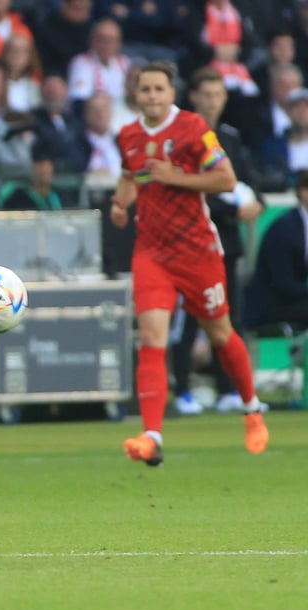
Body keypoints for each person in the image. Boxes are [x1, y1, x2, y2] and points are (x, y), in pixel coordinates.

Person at [111, 61, 269, 466]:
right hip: (152, 252)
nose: (152, 96)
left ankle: (251, 408)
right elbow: (130, 176)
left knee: (220, 334)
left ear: (171, 93)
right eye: (145, 89)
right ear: (136, 94)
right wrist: (120, 203)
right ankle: (151, 436)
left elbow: (226, 180)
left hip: (198, 251)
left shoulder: (193, 128)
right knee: (152, 337)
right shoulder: (128, 135)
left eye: (158, 89)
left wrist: (174, 177)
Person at [171, 66, 265, 416]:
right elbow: (187, 189)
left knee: (228, 318)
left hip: (227, 244)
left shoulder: (230, 138)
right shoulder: (182, 138)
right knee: (189, 320)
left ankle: (228, 390)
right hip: (192, 243)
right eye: (206, 95)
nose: (212, 102)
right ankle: (183, 390)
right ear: (194, 97)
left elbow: (249, 180)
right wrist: (233, 208)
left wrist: (257, 203)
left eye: (218, 95)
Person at [243, 171, 308, 330]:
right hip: (271, 304)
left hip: (295, 299)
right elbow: (282, 283)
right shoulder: (285, 229)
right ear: (303, 191)